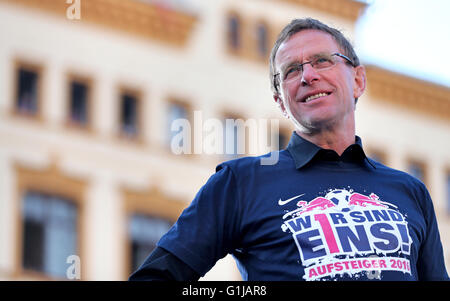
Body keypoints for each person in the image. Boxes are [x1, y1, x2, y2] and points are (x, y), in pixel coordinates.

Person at [129, 18, 449, 281]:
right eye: (291, 71)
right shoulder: (241, 183)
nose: (308, 75)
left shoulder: (410, 192)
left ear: (358, 80)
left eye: (322, 60)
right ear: (281, 102)